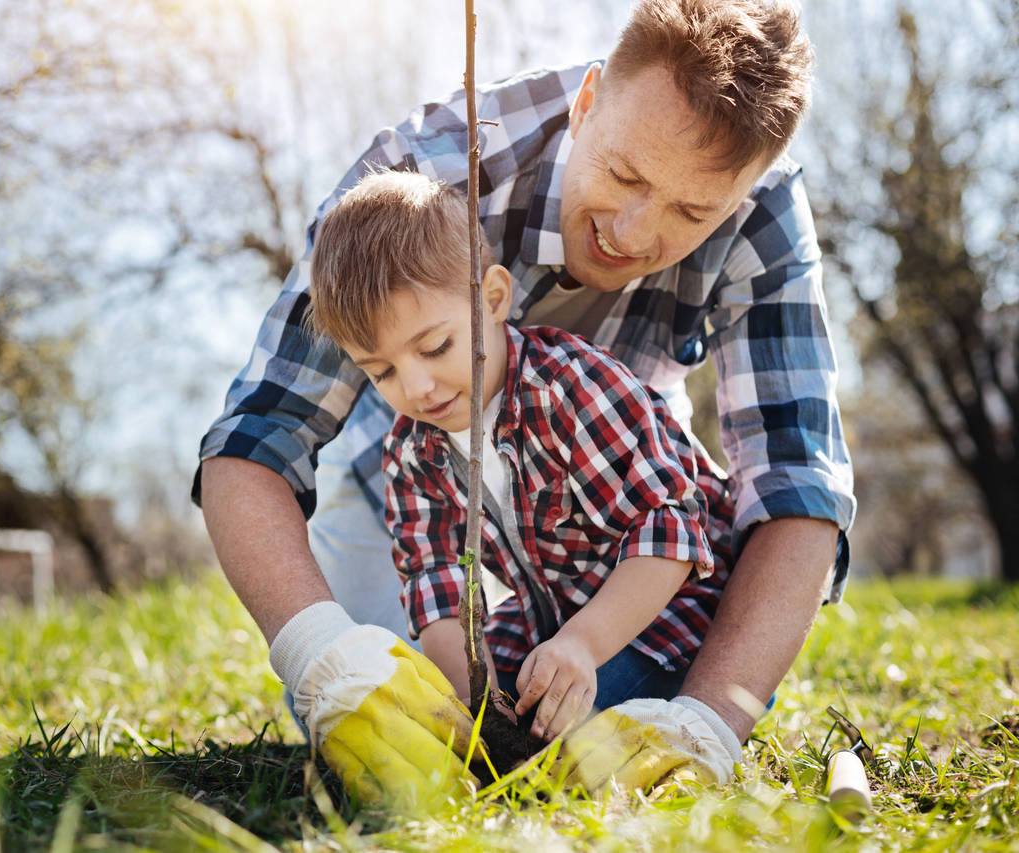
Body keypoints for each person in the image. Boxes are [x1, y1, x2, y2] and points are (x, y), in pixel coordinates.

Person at [196, 0, 855, 803]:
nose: (633, 231)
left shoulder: (764, 216)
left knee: (625, 704)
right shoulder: (421, 176)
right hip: (412, 485)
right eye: (623, 173)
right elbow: (258, 434)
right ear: (586, 105)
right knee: (395, 739)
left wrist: (709, 718)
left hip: (627, 497)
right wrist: (319, 653)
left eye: (691, 212)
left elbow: (796, 483)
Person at [308, 170, 736, 751]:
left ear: (492, 299)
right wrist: (470, 712)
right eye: (380, 371)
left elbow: (669, 530)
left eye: (435, 347)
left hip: (669, 611)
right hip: (549, 618)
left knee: (569, 737)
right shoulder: (412, 452)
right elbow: (436, 581)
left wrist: (583, 643)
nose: (417, 386)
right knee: (445, 720)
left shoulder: (574, 387)